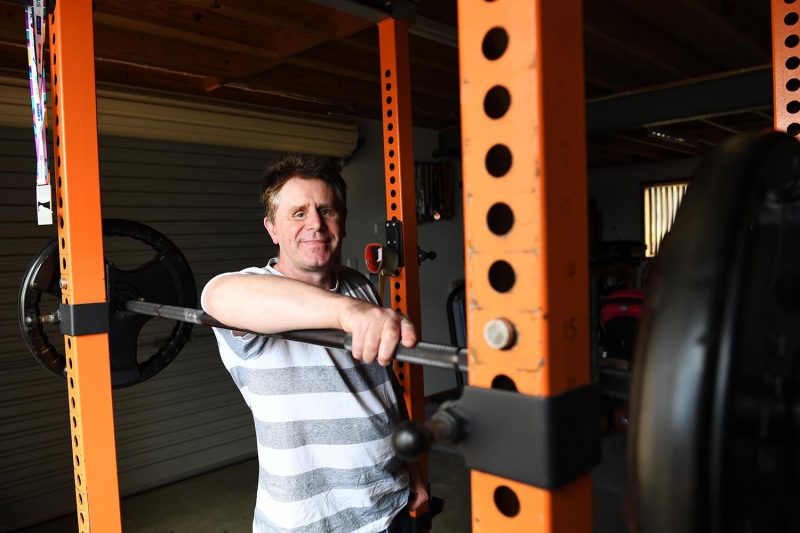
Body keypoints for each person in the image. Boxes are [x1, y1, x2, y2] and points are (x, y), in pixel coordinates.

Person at [201, 153, 428, 533]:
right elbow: (217, 296)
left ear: (343, 220)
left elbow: (384, 390)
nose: (316, 225)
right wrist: (347, 314)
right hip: (310, 525)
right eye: (298, 213)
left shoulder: (357, 285)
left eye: (326, 210)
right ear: (272, 228)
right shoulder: (250, 291)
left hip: (391, 506)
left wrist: (414, 468)